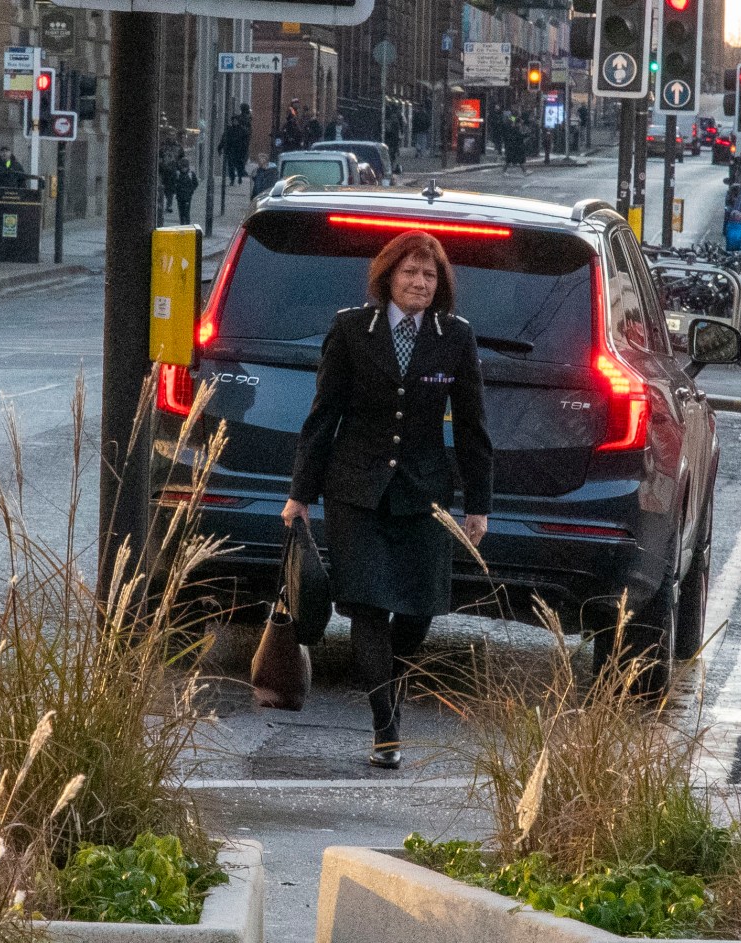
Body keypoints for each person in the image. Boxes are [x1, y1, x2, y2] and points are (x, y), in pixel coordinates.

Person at [281, 231, 493, 770]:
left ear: (439, 284)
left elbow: (472, 427)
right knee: (369, 606)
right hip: (356, 491)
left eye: (429, 275)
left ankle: (389, 690)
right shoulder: (352, 328)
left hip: (425, 496)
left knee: (419, 607)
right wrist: (300, 494)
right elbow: (323, 415)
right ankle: (386, 728)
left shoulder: (456, 337)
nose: (419, 283)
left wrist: (478, 504)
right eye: (409, 273)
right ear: (387, 278)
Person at [158, 135, 184, 213]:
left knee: (170, 190)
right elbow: (159, 157)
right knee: (164, 189)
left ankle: (168, 205)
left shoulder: (177, 147)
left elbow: (181, 158)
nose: (171, 138)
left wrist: (179, 169)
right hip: (164, 171)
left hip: (172, 171)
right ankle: (164, 204)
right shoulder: (163, 146)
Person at [218, 116, 246, 185]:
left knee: (239, 166)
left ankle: (239, 177)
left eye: (236, 121)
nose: (234, 122)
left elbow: (245, 142)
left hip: (239, 151)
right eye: (233, 121)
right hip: (230, 151)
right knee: (231, 166)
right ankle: (232, 179)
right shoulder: (229, 130)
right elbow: (223, 139)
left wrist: (244, 151)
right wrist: (220, 147)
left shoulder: (242, 130)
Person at [173, 157, 199, 225]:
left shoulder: (191, 174)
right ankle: (182, 224)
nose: (184, 169)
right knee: (181, 212)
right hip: (180, 196)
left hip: (187, 196)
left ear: (188, 167)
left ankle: (187, 225)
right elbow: (173, 182)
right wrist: (176, 190)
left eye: (185, 167)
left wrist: (191, 190)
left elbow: (195, 183)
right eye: (182, 167)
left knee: (186, 212)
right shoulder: (178, 174)